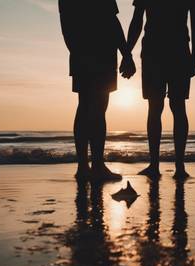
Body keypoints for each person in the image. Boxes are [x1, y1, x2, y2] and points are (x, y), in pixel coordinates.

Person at [59, 0, 136, 182]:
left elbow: (66, 23)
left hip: (85, 52)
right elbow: (112, 20)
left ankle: (85, 166)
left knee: (85, 106)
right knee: (96, 108)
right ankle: (96, 166)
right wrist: (126, 54)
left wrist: (75, 50)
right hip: (99, 52)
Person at [126, 0, 195, 180]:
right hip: (168, 52)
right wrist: (127, 52)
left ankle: (168, 166)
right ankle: (167, 166)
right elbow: (137, 19)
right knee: (170, 107)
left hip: (166, 52)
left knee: (165, 108)